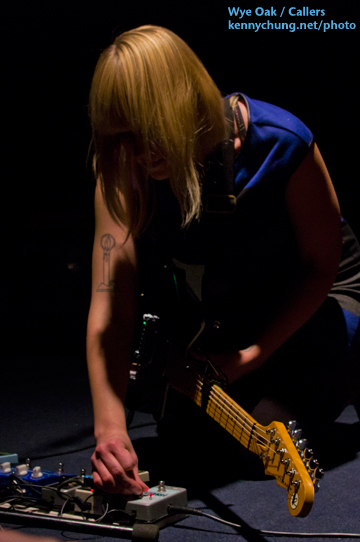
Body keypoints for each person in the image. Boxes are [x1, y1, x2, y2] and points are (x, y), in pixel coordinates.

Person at [86, 25, 360, 496]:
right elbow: (111, 305)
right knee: (185, 443)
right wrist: (109, 428)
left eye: (144, 131)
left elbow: (321, 265)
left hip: (320, 299)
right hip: (234, 307)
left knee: (255, 448)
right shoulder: (122, 169)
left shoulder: (282, 141)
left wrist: (252, 356)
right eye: (121, 137)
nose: (134, 152)